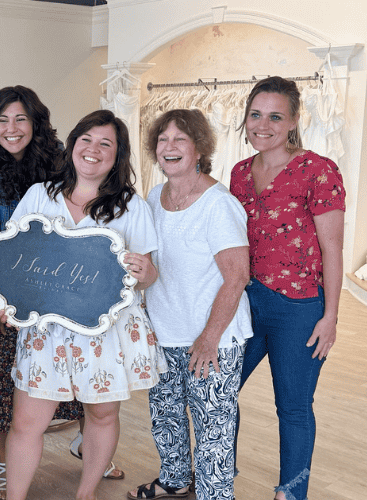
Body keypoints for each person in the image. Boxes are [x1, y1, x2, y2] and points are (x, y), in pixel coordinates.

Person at [3, 109, 166, 500]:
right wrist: (6, 301)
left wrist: (145, 271)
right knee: (27, 421)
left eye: (105, 144)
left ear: (117, 155)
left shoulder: (131, 207)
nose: (93, 150)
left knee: (102, 414)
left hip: (105, 331)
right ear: (73, 144)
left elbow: (149, 276)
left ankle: (86, 493)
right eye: (86, 140)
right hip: (47, 329)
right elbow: (12, 259)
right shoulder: (40, 196)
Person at [0, 86, 93, 500]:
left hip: (46, 287)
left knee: (63, 371)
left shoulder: (54, 160)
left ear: (35, 123)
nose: (11, 129)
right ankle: (2, 464)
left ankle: (86, 443)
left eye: (20, 119)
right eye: (2, 120)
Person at [230, 76, 345, 500]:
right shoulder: (240, 173)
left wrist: (330, 316)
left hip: (298, 307)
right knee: (220, 392)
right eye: (256, 115)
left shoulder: (318, 170)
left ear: (294, 120)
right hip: (246, 301)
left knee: (293, 407)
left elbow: (332, 249)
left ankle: (291, 493)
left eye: (275, 116)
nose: (264, 125)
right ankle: (221, 473)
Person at [127, 109, 252, 500]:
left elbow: (238, 276)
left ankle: (216, 495)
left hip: (212, 338)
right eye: (163, 140)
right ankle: (175, 478)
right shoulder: (154, 197)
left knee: (213, 424)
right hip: (164, 331)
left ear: (199, 148)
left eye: (180, 139)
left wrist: (209, 337)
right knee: (165, 415)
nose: (170, 147)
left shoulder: (218, 204)